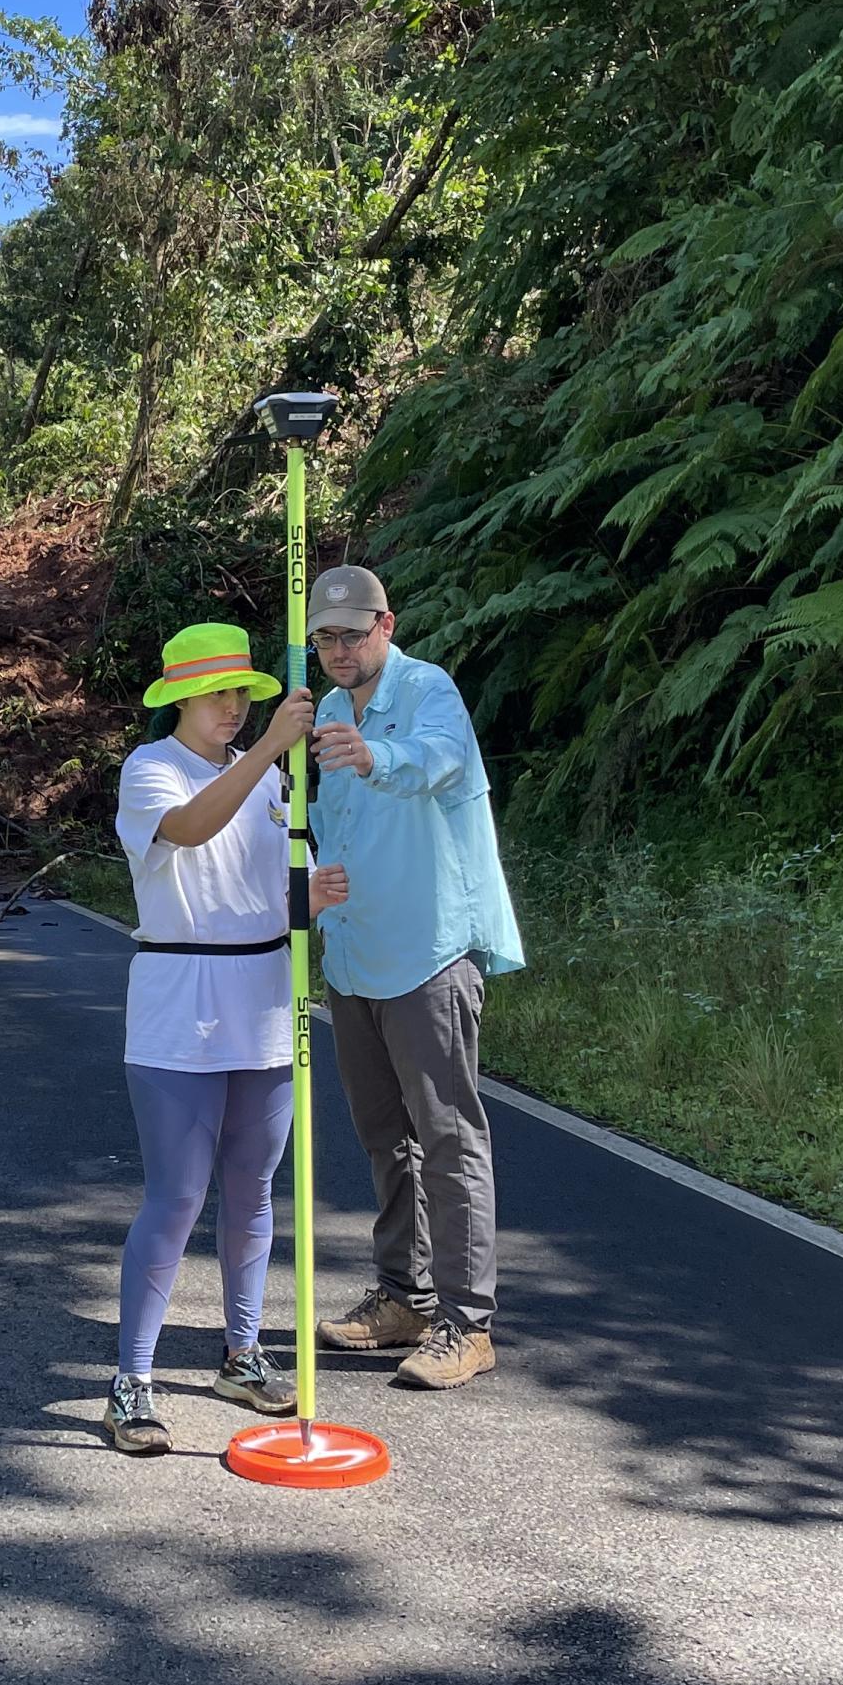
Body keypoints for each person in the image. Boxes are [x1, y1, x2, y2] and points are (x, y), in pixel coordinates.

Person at [102, 620, 348, 1456]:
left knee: (254, 1190)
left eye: (242, 693)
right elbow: (191, 831)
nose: (235, 707)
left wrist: (313, 896)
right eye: (218, 694)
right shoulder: (151, 770)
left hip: (265, 1000)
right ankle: (131, 1380)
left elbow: (271, 895)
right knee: (177, 1196)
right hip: (179, 1004)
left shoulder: (276, 781)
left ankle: (242, 1354)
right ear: (178, 697)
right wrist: (269, 751)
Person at [304, 566, 524, 1391]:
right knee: (382, 1137)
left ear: (385, 626)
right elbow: (327, 822)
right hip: (355, 956)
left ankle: (469, 1323)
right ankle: (405, 1296)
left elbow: (438, 761)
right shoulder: (325, 710)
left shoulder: (431, 690)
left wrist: (375, 753)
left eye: (351, 634)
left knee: (448, 1136)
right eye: (325, 637)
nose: (338, 650)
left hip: (428, 954)